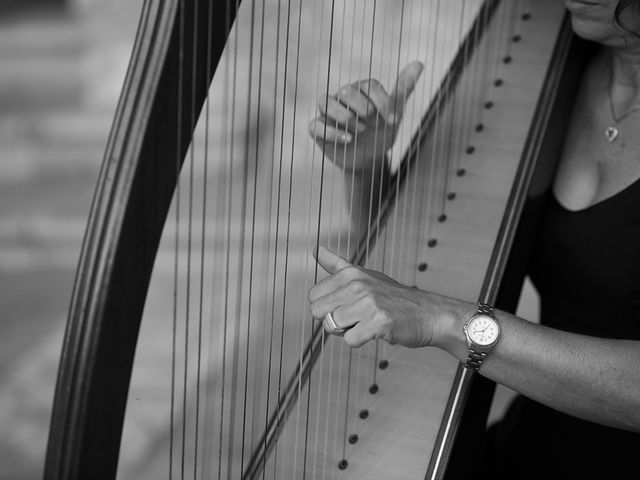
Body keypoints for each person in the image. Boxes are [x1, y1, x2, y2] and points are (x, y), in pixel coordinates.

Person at [307, 1, 640, 478]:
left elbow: (430, 310)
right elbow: (411, 278)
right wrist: (365, 169)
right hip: (529, 445)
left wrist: (451, 321)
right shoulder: (563, 59)